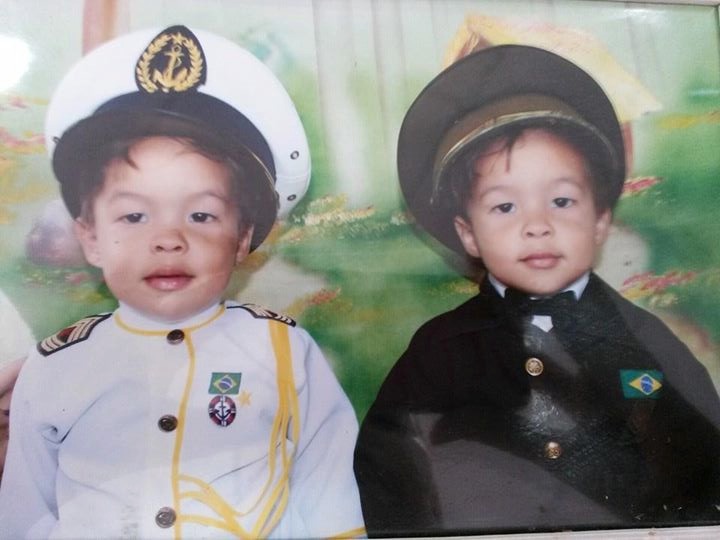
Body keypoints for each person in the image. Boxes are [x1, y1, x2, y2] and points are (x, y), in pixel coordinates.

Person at [0, 25, 365, 539]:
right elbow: (25, 516)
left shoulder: (286, 352)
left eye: (200, 215)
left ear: (242, 238)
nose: (168, 239)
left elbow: (330, 499)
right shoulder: (54, 368)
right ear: (90, 237)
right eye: (134, 216)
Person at [354, 44, 720, 536]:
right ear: (468, 233)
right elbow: (389, 477)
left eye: (562, 201)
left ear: (600, 220)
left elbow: (706, 470)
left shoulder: (648, 343)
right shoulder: (437, 355)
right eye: (505, 207)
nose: (537, 225)